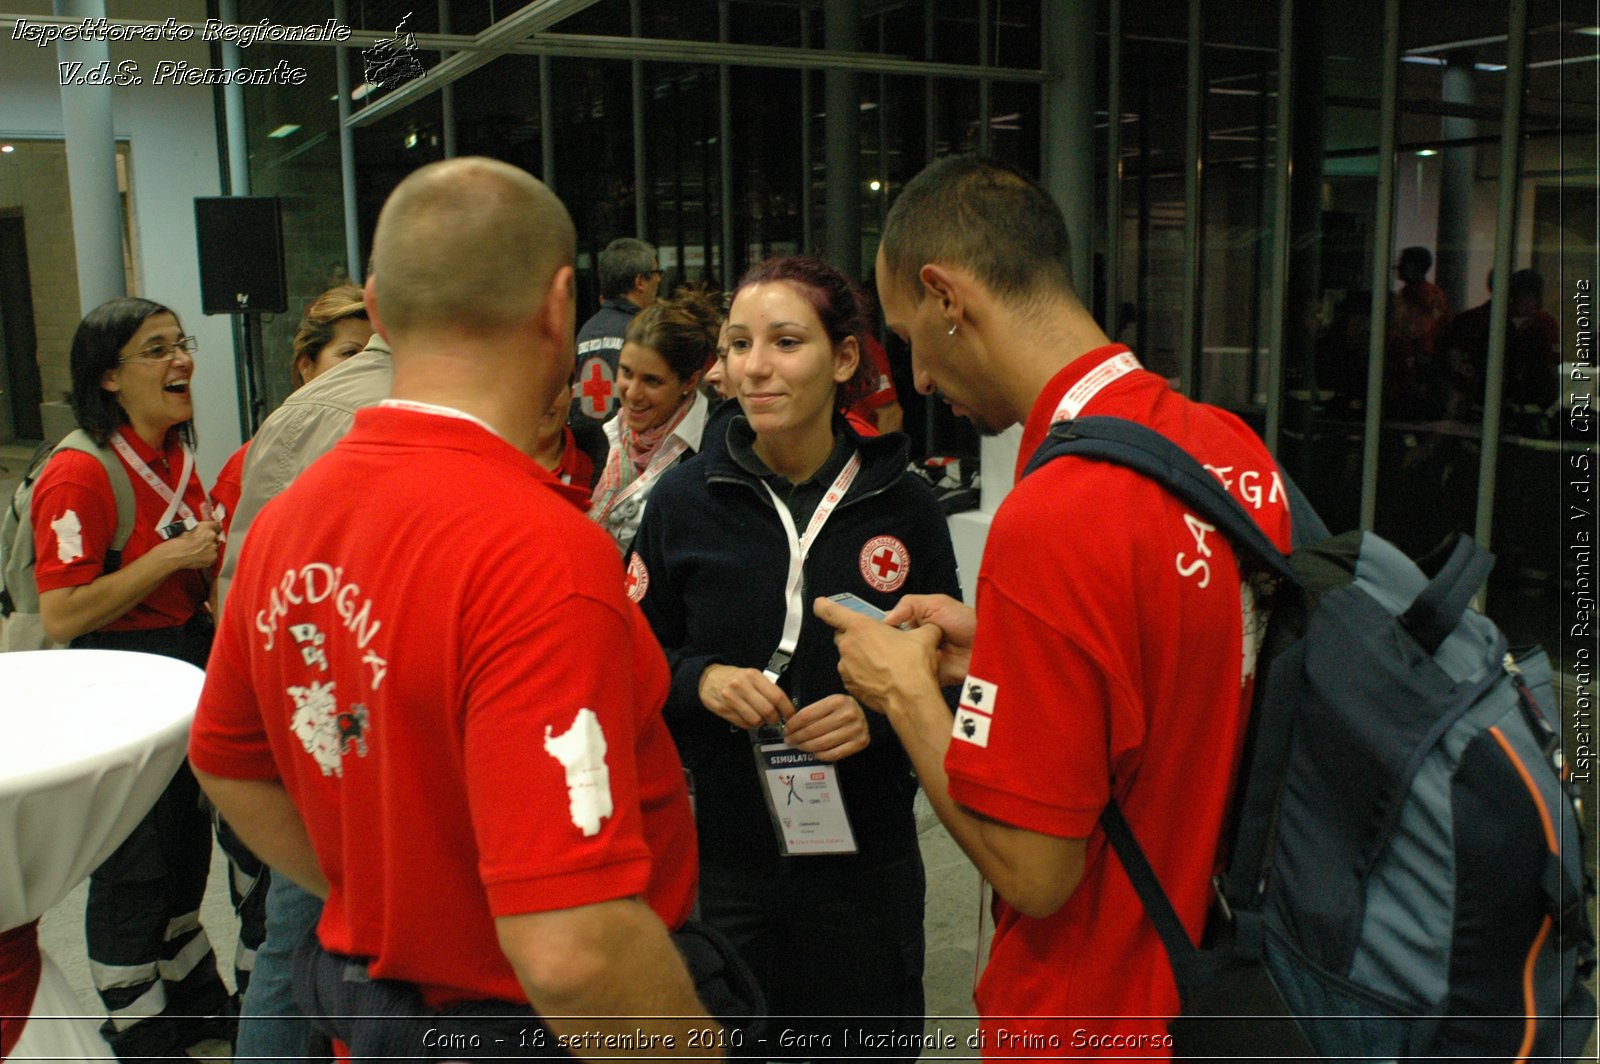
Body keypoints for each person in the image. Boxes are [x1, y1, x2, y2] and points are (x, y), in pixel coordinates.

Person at [189, 157, 715, 1058]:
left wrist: (384, 897)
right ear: (559, 306)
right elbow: (573, 950)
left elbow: (229, 761)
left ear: (379, 310)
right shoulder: (536, 551)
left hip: (384, 1010)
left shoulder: (290, 522)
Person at [815, 155, 1294, 1056]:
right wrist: (1007, 647)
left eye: (912, 335)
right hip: (1220, 981)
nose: (917, 377)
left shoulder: (1057, 513)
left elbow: (1036, 875)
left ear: (948, 297)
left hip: (1089, 1009)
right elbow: (1175, 669)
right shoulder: (1223, 451)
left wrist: (907, 694)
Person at [629, 255, 960, 1056]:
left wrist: (882, 716)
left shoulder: (902, 500)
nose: (756, 367)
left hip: (865, 860)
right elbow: (631, 652)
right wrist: (699, 678)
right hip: (726, 858)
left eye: (785, 342)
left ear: (843, 359)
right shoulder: (684, 499)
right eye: (739, 345)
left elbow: (950, 669)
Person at [29, 297, 235, 1059]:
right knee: (133, 862)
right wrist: (167, 561)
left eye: (181, 345)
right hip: (114, 674)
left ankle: (190, 993)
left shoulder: (178, 453)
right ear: (110, 376)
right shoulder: (81, 471)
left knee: (186, 845)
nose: (181, 361)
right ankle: (136, 1023)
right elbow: (60, 613)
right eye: (157, 351)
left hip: (185, 662)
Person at [212, 284, 372, 538]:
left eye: (377, 355)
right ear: (306, 366)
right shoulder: (255, 460)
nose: (367, 367)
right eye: (350, 353)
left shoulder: (399, 448)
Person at [588, 289, 719, 551]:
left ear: (690, 382)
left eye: (652, 381)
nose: (633, 393)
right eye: (626, 372)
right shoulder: (603, 436)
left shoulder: (713, 449)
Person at [574, 237, 661, 422]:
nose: (659, 279)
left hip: (585, 443)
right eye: (656, 272)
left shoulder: (586, 331)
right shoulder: (642, 332)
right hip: (623, 442)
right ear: (640, 282)